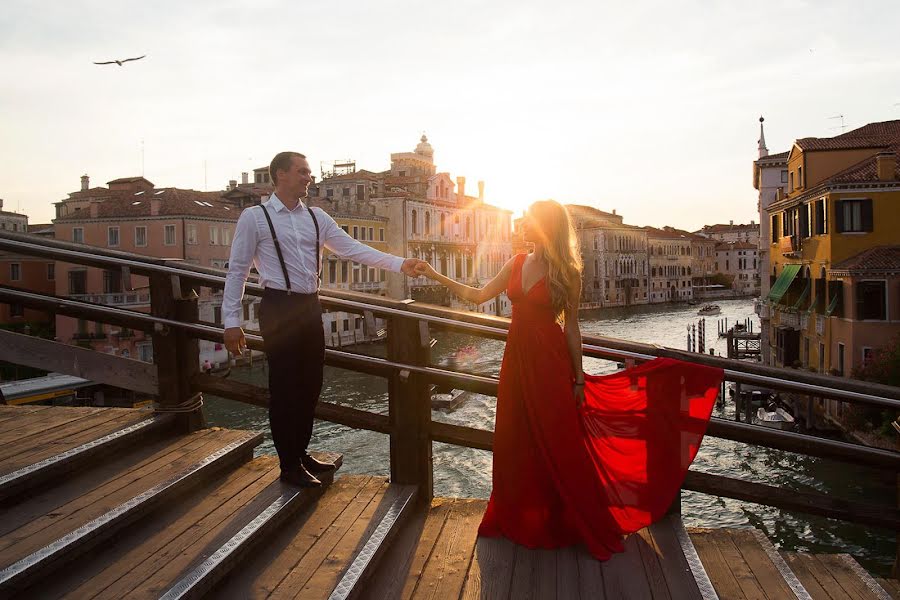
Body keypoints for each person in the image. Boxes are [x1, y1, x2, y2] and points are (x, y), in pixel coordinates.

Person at [415, 200, 724, 560]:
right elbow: (477, 295)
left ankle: (564, 519)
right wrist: (432, 273)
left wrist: (578, 379)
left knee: (559, 442)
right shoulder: (515, 262)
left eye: (529, 220)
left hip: (550, 364)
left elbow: (572, 328)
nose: (522, 225)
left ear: (545, 227)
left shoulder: (567, 272)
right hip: (516, 363)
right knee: (515, 437)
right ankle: (521, 517)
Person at [223, 151, 426, 488]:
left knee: (311, 385)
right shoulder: (254, 217)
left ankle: (299, 452)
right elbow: (238, 270)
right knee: (285, 388)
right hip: (278, 306)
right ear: (281, 175)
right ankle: (288, 465)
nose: (309, 177)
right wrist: (231, 321)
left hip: (309, 307)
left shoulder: (316, 217)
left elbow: (352, 249)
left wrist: (400, 263)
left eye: (309, 173)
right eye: (302, 172)